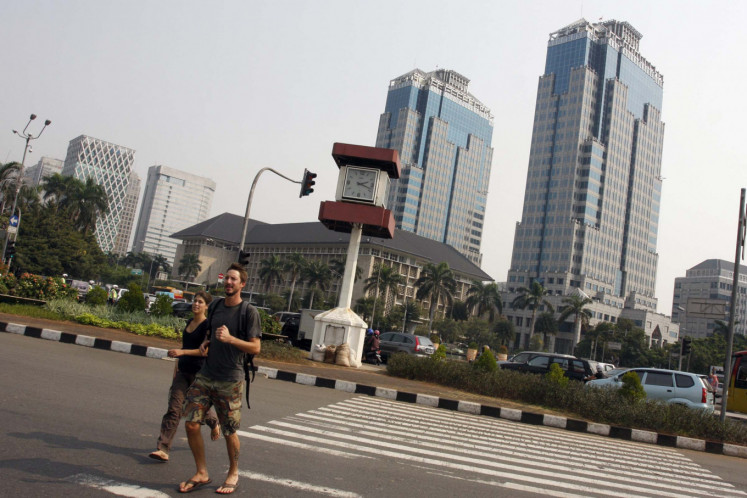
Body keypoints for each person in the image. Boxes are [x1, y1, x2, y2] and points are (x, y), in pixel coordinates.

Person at [178, 263, 262, 495]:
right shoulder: (215, 306)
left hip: (230, 379)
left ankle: (233, 472)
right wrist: (207, 341)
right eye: (227, 278)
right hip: (206, 374)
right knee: (192, 423)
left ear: (242, 284)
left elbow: (256, 347)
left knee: (229, 430)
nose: (229, 282)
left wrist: (230, 339)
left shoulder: (249, 312)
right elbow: (210, 332)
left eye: (234, 279)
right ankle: (201, 472)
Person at [148, 291, 220, 463]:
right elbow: (184, 346)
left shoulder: (207, 326)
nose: (196, 304)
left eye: (200, 302)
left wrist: (182, 352)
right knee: (174, 409)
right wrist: (177, 365)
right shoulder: (189, 322)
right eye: (195, 301)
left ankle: (213, 422)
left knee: (195, 409)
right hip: (183, 371)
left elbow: (204, 351)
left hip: (199, 374)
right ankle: (163, 448)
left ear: (206, 306)